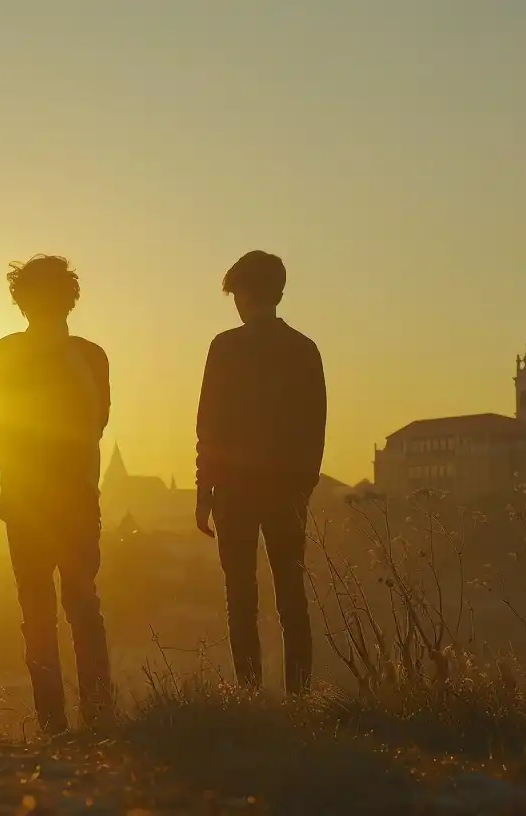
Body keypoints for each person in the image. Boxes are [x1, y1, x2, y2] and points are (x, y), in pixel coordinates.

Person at [0, 254, 114, 735]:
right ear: (70, 298)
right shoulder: (90, 355)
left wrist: (19, 466)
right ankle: (98, 719)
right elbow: (97, 423)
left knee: (37, 611)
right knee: (82, 606)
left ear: (22, 301)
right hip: (74, 496)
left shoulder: (7, 352)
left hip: (27, 499)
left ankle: (52, 725)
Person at [194, 250, 326, 696]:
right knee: (292, 596)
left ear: (243, 293)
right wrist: (303, 488)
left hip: (232, 491)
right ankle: (300, 699)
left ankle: (248, 694)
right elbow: (316, 428)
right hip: (287, 491)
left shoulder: (225, 347)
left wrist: (203, 491)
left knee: (241, 598)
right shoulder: (304, 350)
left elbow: (208, 426)